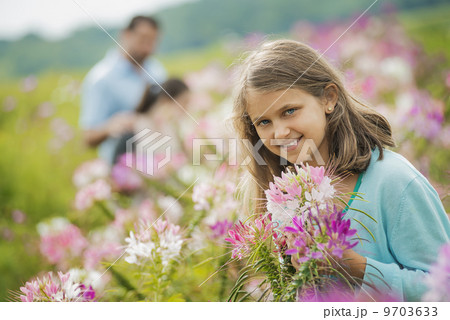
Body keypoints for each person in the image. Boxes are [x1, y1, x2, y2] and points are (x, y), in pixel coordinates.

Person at [231, 39, 450, 301]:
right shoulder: (282, 196)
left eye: (290, 111)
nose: (279, 132)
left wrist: (355, 267)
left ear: (329, 98)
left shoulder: (393, 180)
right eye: (264, 122)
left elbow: (443, 289)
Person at [80, 15, 167, 165]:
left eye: (153, 41)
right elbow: (88, 137)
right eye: (143, 40)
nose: (148, 48)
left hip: (158, 159)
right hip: (120, 167)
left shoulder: (156, 70)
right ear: (126, 35)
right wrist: (111, 126)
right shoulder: (101, 79)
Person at [112, 78, 190, 163]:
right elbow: (117, 169)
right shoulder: (132, 130)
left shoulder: (170, 128)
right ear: (166, 101)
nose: (187, 109)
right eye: (184, 102)